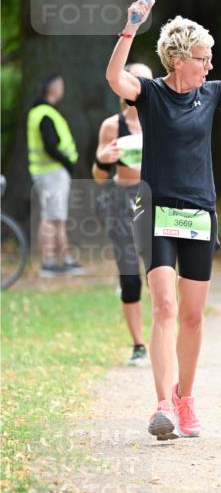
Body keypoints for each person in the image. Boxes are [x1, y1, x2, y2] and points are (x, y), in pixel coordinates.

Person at [106, 0, 221, 440]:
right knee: (165, 304)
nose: (209, 66)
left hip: (199, 211)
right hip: (155, 209)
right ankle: (162, 405)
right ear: (181, 59)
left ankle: (185, 398)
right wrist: (131, 27)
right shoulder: (150, 94)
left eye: (210, 60)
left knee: (192, 315)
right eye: (203, 59)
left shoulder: (212, 94)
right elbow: (114, 77)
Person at [93, 63, 153, 366]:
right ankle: (138, 344)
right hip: (121, 198)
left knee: (159, 273)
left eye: (145, 79)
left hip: (157, 200)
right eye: (133, 78)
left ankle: (162, 338)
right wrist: (104, 160)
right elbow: (99, 176)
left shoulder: (162, 120)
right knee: (130, 276)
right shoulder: (111, 126)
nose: (138, 84)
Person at [27, 73, 83, 277]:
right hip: (52, 173)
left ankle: (63, 260)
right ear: (54, 88)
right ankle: (50, 262)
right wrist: (67, 163)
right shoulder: (45, 114)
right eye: (61, 85)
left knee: (56, 217)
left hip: (47, 173)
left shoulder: (39, 112)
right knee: (51, 218)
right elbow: (50, 145)